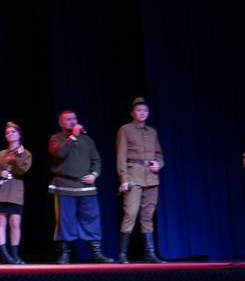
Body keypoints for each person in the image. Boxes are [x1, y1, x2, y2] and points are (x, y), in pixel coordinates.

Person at [48, 110, 112, 263]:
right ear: (60, 123)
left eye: (74, 118)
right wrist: (73, 137)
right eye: (68, 119)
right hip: (65, 186)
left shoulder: (87, 140)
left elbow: (96, 160)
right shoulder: (56, 139)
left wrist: (94, 175)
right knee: (65, 221)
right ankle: (64, 254)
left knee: (91, 219)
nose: (72, 121)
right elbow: (60, 153)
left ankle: (96, 253)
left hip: (86, 187)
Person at [116, 97, 166, 263]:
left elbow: (159, 155)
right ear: (132, 113)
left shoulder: (152, 132)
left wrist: (158, 164)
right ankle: (122, 253)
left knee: (148, 216)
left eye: (145, 110)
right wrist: (123, 178)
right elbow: (121, 156)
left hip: (151, 178)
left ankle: (149, 253)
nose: (142, 113)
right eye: (139, 110)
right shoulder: (125, 129)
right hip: (133, 176)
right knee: (130, 213)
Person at [0, 122, 33, 264]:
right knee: (1, 221)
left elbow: (22, 170)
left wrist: (18, 156)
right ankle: (4, 254)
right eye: (7, 132)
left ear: (19, 134)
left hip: (15, 192)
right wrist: (0, 173)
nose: (10, 134)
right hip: (0, 191)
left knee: (15, 223)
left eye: (13, 132)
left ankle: (15, 255)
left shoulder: (25, 153)